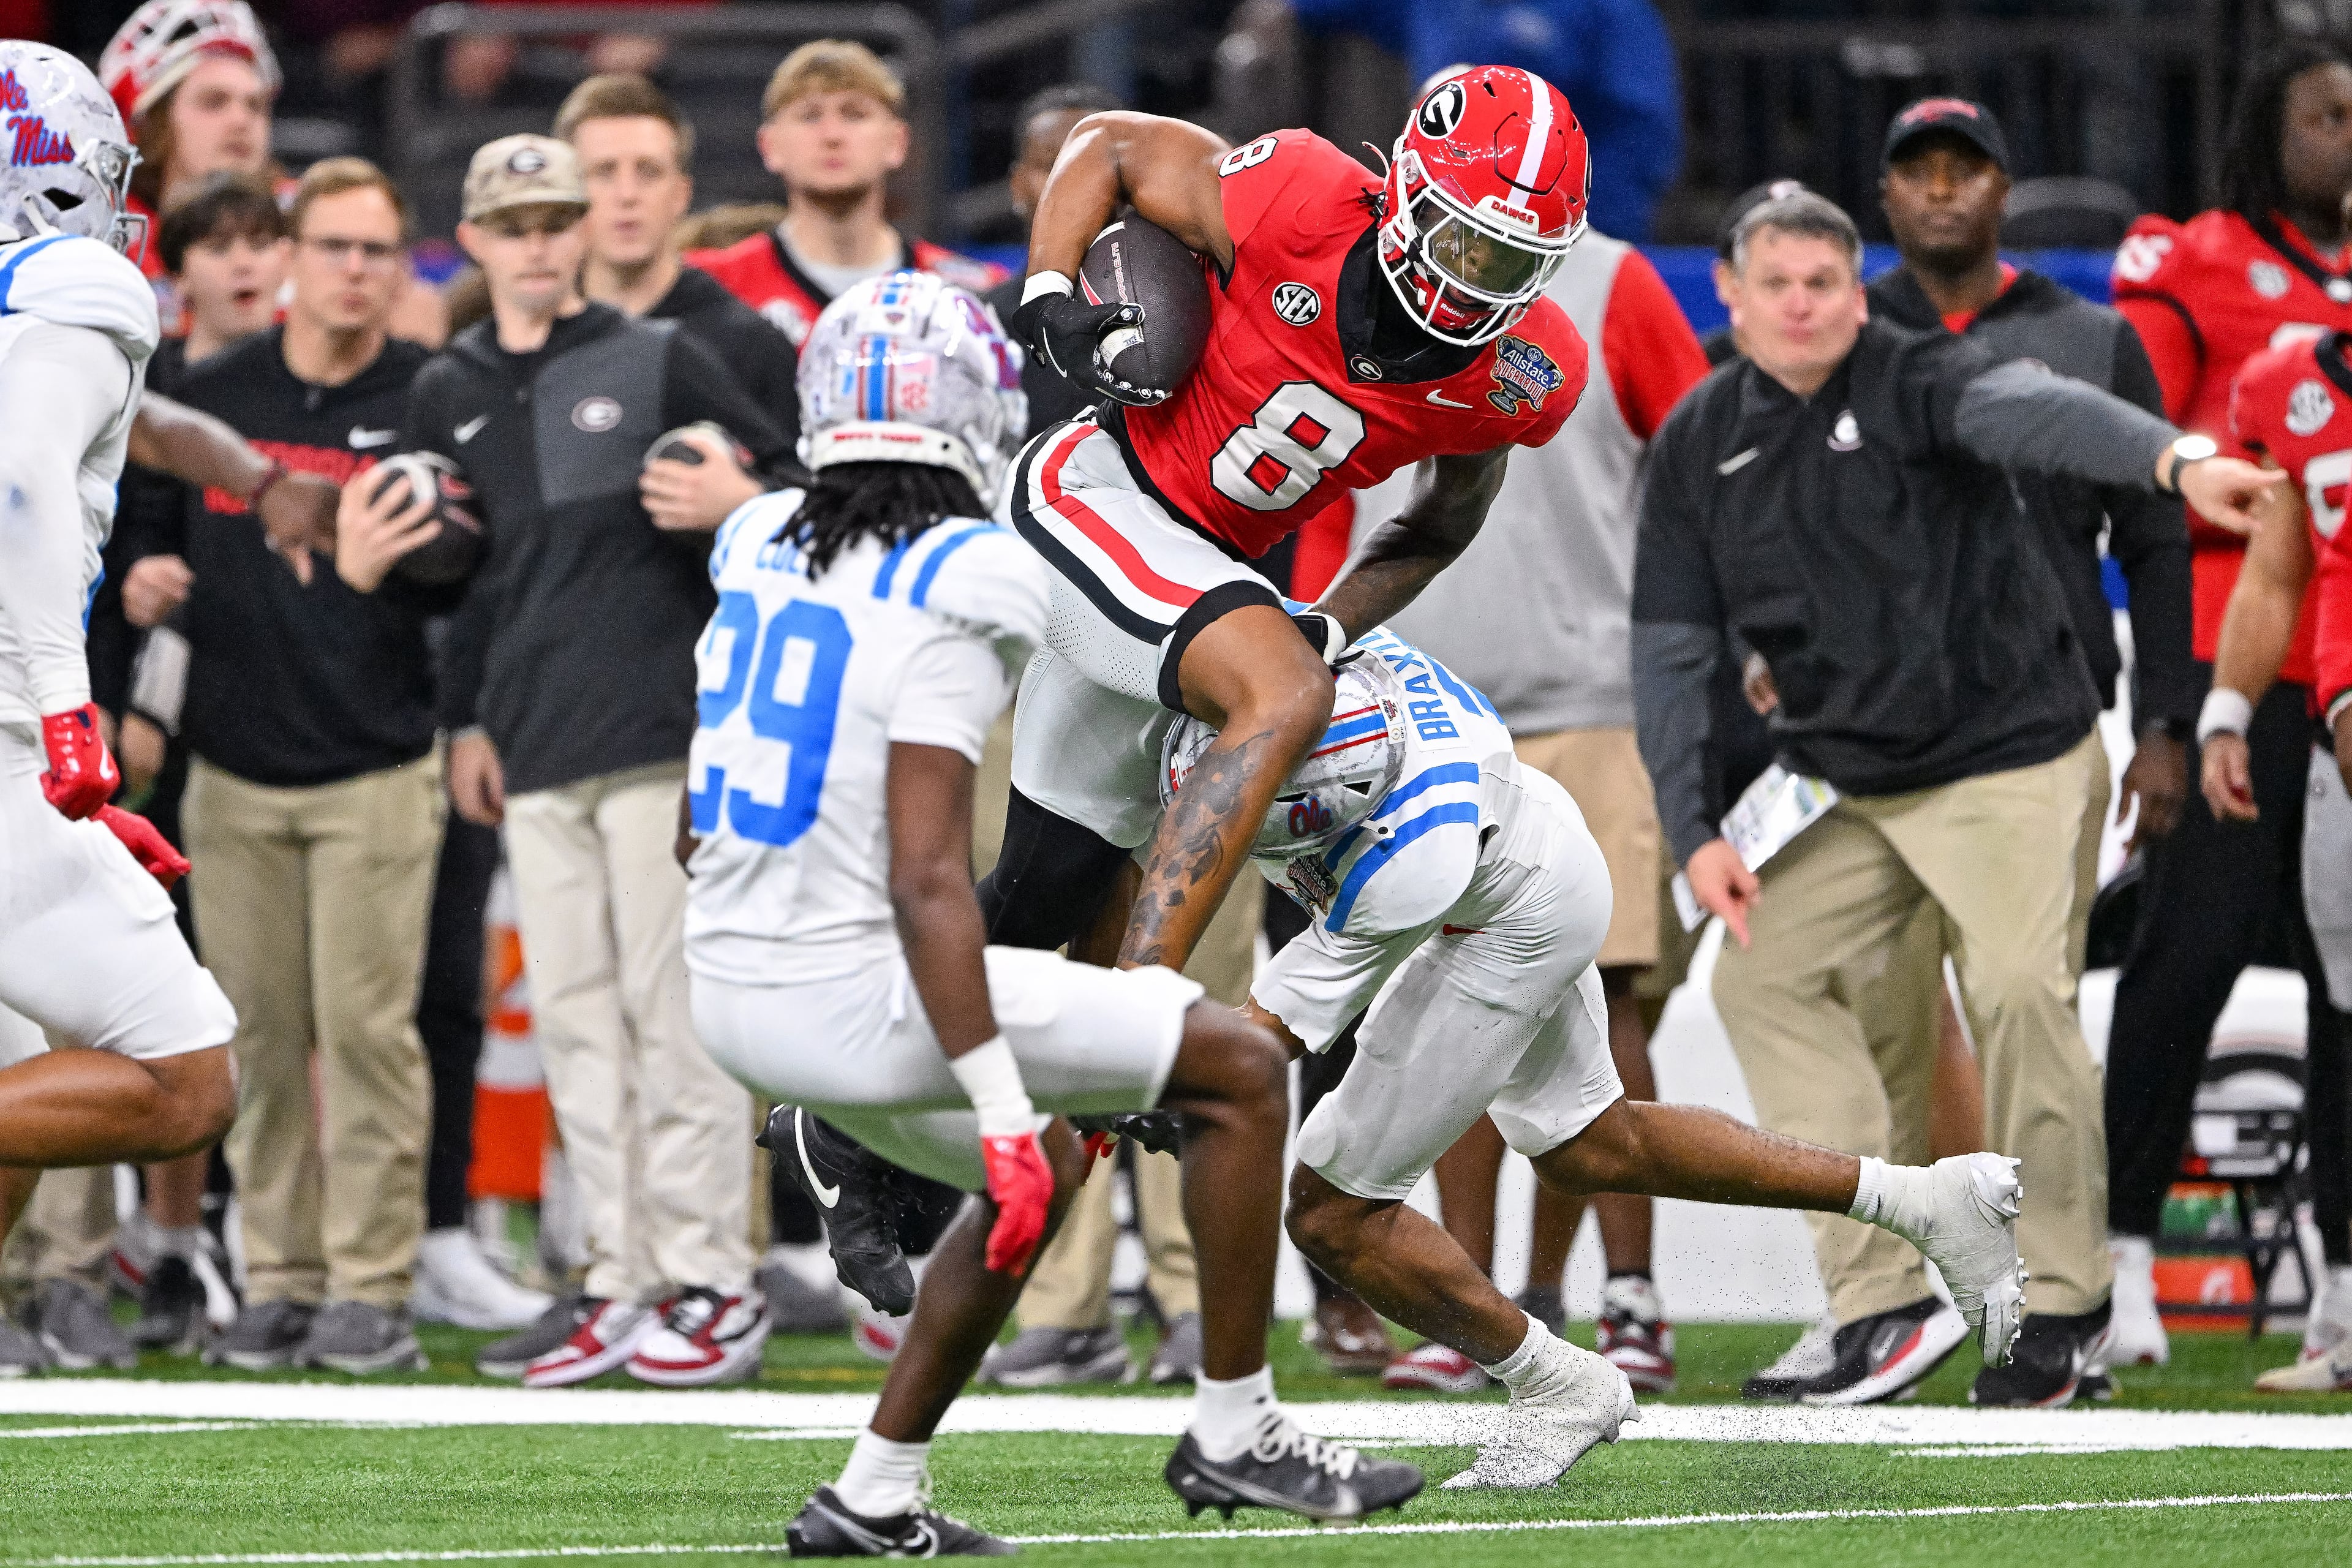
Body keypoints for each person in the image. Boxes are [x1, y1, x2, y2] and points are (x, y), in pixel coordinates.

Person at [684, 271, 1422, 1551]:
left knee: (1051, 1158)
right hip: (854, 992)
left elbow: (697, 823)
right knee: (1239, 1071)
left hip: (725, 982)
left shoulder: (750, 536)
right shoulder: (972, 569)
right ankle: (1238, 1428)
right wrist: (993, 1100)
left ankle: (873, 1493)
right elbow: (928, 876)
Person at [1634, 190, 2284, 1409]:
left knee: (2018, 993)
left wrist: (2174, 455)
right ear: (1726, 293)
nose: (1803, 303)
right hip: (1849, 778)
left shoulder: (1921, 373)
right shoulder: (1699, 435)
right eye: (1776, 282)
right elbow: (1668, 647)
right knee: (1765, 975)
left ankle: (2066, 1308)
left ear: (1852, 281)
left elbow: (2043, 414)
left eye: (1825, 278)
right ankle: (1877, 1305)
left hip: (2010, 754)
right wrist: (1694, 830)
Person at [1193, 621, 2026, 1487]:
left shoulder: (1403, 862)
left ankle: (1553, 1385)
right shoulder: (1301, 645)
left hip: (1492, 907)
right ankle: (1925, 1200)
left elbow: (1253, 1056)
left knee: (1334, 1211)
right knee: (1594, 1144)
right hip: (1537, 845)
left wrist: (1137, 1068)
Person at [977, 67, 1591, 1030]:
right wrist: (1048, 292)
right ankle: (1149, 1019)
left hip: (1202, 575)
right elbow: (1110, 143)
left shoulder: (1521, 376)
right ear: (1403, 190)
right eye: (1462, 236)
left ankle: (840, 1130)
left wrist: (1327, 625)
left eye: (1507, 262)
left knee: (1043, 892)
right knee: (1283, 695)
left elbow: (1438, 527)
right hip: (1097, 491)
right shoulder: (1300, 193)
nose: (1472, 280)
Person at [416, 134, 793, 1389]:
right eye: (512, 222)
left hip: (657, 735)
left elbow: (789, 494)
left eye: (554, 220)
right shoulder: (448, 384)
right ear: (472, 238)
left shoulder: (658, 355)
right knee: (578, 1020)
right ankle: (617, 1277)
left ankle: (710, 1278)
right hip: (530, 742)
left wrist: (735, 499)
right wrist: (465, 718)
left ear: (580, 231)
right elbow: (468, 587)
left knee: (668, 1014)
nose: (536, 241)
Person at [1360, 190, 1712, 1397]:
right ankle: (1474, 1296)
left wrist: (1697, 649)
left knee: (1603, 995)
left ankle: (1619, 1295)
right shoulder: (1346, 270)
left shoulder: (1616, 283)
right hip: (1411, 703)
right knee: (1438, 1006)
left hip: (1592, 692)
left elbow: (1701, 463)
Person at [151, 159, 451, 1376]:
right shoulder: (210, 394)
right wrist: (142, 594)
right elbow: (148, 556)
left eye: (378, 250)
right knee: (257, 1042)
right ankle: (276, 1276)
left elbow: (471, 578)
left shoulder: (434, 394)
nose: (354, 270)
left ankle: (371, 1285)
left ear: (400, 263)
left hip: (377, 762)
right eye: (332, 245)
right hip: (232, 764)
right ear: (288, 255)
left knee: (370, 1037)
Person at [2103, 42, 2352, 1370]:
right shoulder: (2191, 261)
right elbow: (2129, 433)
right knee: (2187, 954)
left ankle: (2341, 1285)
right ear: (2273, 129)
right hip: (2234, 659)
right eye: (2331, 115)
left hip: (2347, 673)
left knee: (2345, 989)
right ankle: (2126, 1254)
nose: (2351, 138)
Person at [0, 43, 237, 1255]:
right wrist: (63, 716)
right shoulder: (70, 278)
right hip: (3, 740)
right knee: (186, 1080)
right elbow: (23, 486)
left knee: (22, 1085)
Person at [2189, 327, 2352, 1393]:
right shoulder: (2295, 381)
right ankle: (2343, 1308)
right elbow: (2278, 565)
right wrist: (2229, 707)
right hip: (2338, 734)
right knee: (2344, 1025)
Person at [100, 0, 446, 345]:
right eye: (214, 102)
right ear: (152, 125)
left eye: (255, 105)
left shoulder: (319, 217)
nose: (241, 121)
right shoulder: (102, 231)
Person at [685, 40, 1004, 349]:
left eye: (854, 114)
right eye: (809, 115)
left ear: (897, 142)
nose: (832, 135)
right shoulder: (709, 287)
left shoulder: (971, 298)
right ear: (769, 146)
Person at [1284, 0, 1682, 241]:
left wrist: (1575, 229)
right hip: (1432, 212)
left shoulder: (1611, 12)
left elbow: (1643, 129)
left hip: (1541, 224)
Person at [556, 73, 801, 445]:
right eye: (604, 172)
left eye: (649, 172)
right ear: (568, 194)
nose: (627, 195)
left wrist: (745, 494)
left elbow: (796, 489)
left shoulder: (753, 347)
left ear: (681, 194)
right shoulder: (527, 337)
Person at [982, 83, 1125, 437]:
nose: (1071, 181)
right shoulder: (980, 326)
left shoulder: (1187, 314)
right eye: (1052, 164)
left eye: (1092, 163)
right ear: (1017, 186)